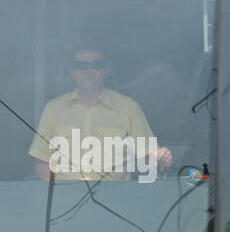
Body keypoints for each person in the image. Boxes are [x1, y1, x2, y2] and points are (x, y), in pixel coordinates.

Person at [29, 46, 173, 182]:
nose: (89, 71)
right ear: (72, 72)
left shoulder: (128, 107)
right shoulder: (53, 109)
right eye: (81, 66)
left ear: (106, 71)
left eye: (96, 65)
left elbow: (149, 157)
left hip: (114, 201)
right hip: (66, 200)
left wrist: (160, 158)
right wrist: (57, 193)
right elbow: (42, 163)